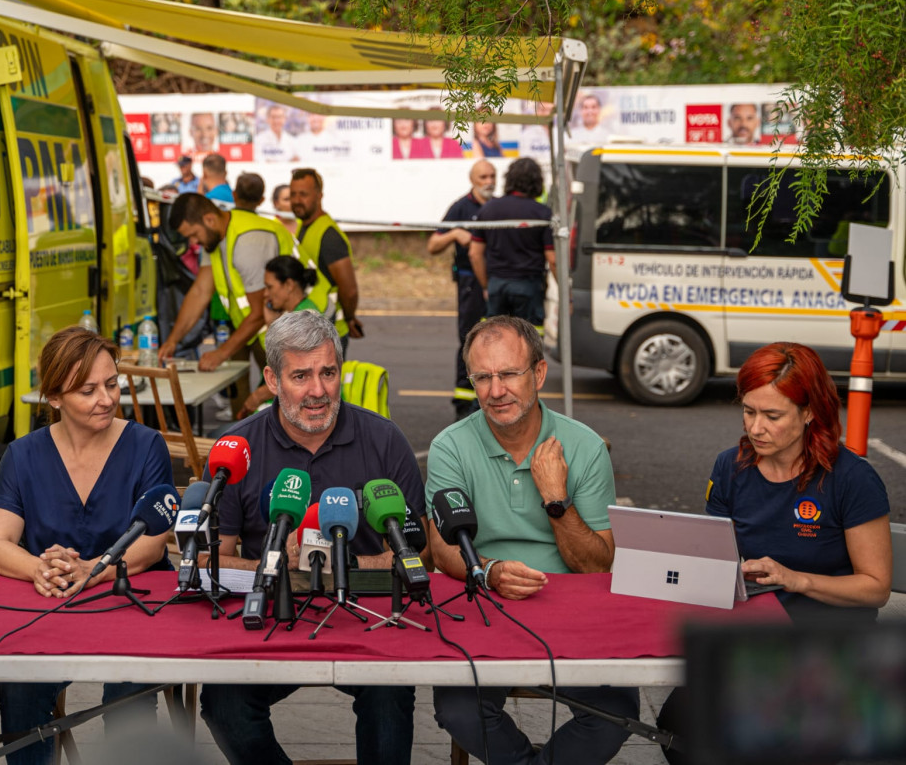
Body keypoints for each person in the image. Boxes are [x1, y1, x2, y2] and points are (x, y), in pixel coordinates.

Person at [200, 310, 426, 765]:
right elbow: (210, 563)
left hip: (365, 617)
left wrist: (340, 566)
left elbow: (419, 557)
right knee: (222, 702)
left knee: (390, 697)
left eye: (328, 372)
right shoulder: (237, 449)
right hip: (269, 617)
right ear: (271, 378)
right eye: (300, 376)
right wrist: (276, 563)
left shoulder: (385, 441)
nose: (318, 391)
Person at [657, 342, 892, 765]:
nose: (756, 428)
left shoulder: (852, 479)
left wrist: (796, 579)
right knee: (680, 722)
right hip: (750, 639)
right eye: (749, 411)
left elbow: (875, 588)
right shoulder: (730, 467)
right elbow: (714, 558)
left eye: (772, 415)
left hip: (830, 648)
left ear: (809, 413)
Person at [426, 315, 639, 765]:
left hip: (574, 608)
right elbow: (443, 548)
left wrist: (556, 499)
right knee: (457, 707)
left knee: (617, 712)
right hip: (485, 603)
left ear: (539, 374)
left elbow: (598, 565)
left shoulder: (583, 447)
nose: (496, 390)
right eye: (482, 377)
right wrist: (489, 571)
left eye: (508, 374)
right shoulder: (451, 446)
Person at [0, 326, 175, 765]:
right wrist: (38, 568)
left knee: (130, 691)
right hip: (52, 612)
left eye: (112, 384)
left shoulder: (146, 446)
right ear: (53, 398)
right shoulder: (23, 455)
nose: (106, 399)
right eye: (87, 390)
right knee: (18, 688)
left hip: (132, 608)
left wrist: (95, 568)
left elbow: (152, 542)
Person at [158, 192, 297, 373]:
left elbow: (258, 313)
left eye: (194, 234)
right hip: (258, 326)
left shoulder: (247, 241)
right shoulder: (214, 239)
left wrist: (221, 353)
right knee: (242, 391)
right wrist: (172, 341)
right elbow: (200, 291)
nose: (194, 242)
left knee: (280, 392)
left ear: (209, 219)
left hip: (295, 325)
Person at [429, 159, 495, 418]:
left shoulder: (498, 206)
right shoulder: (461, 208)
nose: (489, 182)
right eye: (483, 177)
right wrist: (454, 234)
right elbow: (433, 245)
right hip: (471, 285)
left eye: (492, 176)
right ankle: (463, 403)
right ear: (473, 180)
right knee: (469, 339)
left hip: (495, 284)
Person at [469, 157, 553, 327]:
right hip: (528, 286)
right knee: (529, 341)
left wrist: (487, 286)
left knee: (495, 339)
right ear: (537, 182)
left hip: (497, 285)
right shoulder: (542, 213)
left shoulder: (488, 209)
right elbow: (553, 259)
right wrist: (567, 294)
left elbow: (474, 254)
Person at [289, 167, 364, 350]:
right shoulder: (304, 226)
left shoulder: (329, 236)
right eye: (293, 194)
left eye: (303, 194)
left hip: (330, 332)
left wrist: (349, 317)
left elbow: (350, 290)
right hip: (314, 329)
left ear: (319, 196)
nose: (297, 200)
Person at [237, 256, 320, 418]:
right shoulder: (295, 315)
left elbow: (297, 375)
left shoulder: (305, 320)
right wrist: (272, 325)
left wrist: (258, 396)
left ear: (289, 285)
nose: (265, 294)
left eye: (269, 287)